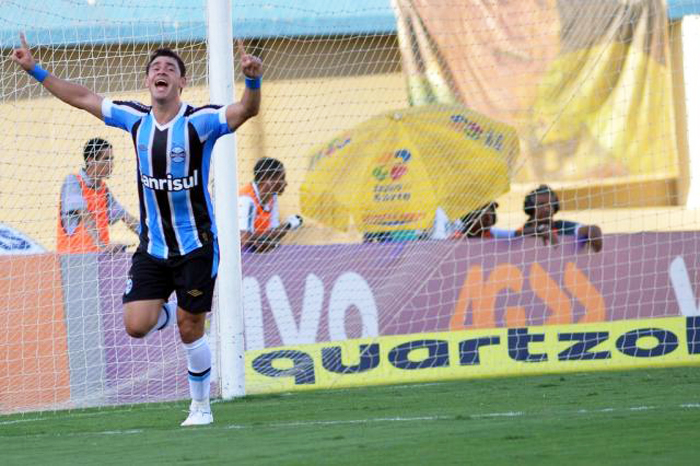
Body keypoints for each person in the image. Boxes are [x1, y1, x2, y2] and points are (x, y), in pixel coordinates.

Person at [12, 33, 262, 426]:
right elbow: (82, 97)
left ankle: (200, 407)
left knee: (190, 329)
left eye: (170, 68)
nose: (161, 71)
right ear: (148, 81)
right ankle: (177, 310)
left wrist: (252, 81)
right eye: (155, 68)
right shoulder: (135, 120)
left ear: (182, 82)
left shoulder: (200, 122)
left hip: (196, 246)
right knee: (136, 325)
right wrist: (35, 70)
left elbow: (246, 111)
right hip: (153, 247)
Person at [57, 137, 139, 254]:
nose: (111, 164)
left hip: (99, 258)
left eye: (112, 159)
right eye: (106, 159)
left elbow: (126, 217)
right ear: (91, 160)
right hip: (73, 259)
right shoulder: (73, 181)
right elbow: (84, 214)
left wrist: (150, 238)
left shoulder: (103, 190)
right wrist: (102, 245)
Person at [238, 157, 303, 253]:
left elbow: (273, 232)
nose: (285, 183)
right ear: (266, 179)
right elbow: (243, 238)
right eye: (281, 178)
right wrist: (264, 239)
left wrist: (288, 225)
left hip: (256, 252)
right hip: (241, 254)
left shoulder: (272, 197)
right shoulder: (246, 199)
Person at [516, 184, 603, 252]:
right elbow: (517, 234)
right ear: (531, 208)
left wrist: (593, 230)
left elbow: (586, 230)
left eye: (550, 204)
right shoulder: (524, 229)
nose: (546, 208)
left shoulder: (562, 226)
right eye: (541, 204)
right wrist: (540, 229)